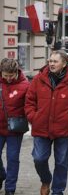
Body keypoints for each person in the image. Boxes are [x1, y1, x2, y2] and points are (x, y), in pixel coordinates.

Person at [25, 50, 68, 195]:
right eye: (50, 61)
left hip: (63, 129)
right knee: (39, 158)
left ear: (64, 63)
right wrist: (33, 117)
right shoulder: (38, 79)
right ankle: (46, 180)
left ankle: (58, 190)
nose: (51, 64)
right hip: (41, 127)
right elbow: (29, 101)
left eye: (55, 61)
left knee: (61, 162)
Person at [0, 58, 30, 195]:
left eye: (11, 76)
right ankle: (1, 175)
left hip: (15, 129)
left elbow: (30, 106)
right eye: (5, 76)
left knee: (12, 158)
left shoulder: (25, 85)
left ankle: (10, 189)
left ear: (16, 72)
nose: (8, 79)